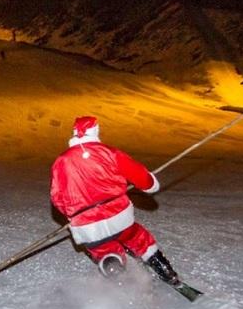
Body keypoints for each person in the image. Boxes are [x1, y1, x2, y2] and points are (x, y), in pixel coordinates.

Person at [50, 116, 179, 285]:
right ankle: (166, 272)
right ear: (95, 131)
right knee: (139, 238)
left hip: (87, 225)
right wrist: (151, 183)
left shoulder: (61, 162)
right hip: (118, 215)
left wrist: (71, 214)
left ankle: (114, 270)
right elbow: (139, 175)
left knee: (103, 249)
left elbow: (57, 196)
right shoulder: (109, 153)